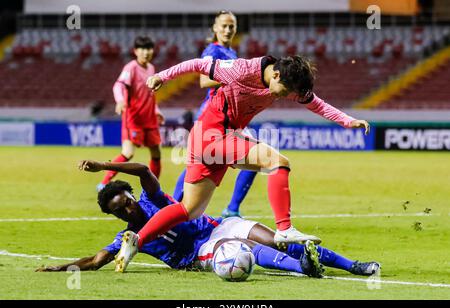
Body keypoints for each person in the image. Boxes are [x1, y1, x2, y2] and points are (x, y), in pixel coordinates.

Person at [117, 53, 371, 272]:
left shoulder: (286, 83)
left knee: (189, 209)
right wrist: (162, 76)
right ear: (277, 76)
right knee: (277, 161)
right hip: (212, 135)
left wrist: (348, 121)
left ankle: (137, 241)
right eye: (285, 92)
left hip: (207, 139)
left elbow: (317, 104)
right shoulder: (243, 69)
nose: (286, 97)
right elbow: (198, 64)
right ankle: (284, 228)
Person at [36, 160, 380, 279]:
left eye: (125, 201)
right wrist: (59, 268)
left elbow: (142, 169)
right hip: (196, 255)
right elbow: (96, 261)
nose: (128, 209)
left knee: (278, 237)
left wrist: (105, 166)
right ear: (114, 215)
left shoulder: (152, 198)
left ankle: (354, 266)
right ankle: (303, 267)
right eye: (119, 210)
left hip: (216, 226)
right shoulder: (127, 239)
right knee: (241, 248)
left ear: (130, 196)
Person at [172, 10, 258, 219]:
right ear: (215, 28)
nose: (228, 30)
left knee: (251, 157)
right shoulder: (213, 50)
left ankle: (231, 209)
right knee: (203, 163)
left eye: (232, 26)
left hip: (230, 114)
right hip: (213, 113)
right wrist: (236, 77)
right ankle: (228, 209)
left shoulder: (232, 52)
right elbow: (204, 80)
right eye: (224, 26)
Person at [96, 36, 165, 192]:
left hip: (150, 118)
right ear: (135, 51)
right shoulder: (131, 68)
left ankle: (153, 188)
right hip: (133, 118)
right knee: (128, 153)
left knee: (156, 153)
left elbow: (150, 95)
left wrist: (157, 111)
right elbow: (118, 85)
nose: (146, 52)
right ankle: (104, 183)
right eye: (142, 49)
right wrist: (120, 100)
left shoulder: (152, 69)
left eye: (149, 49)